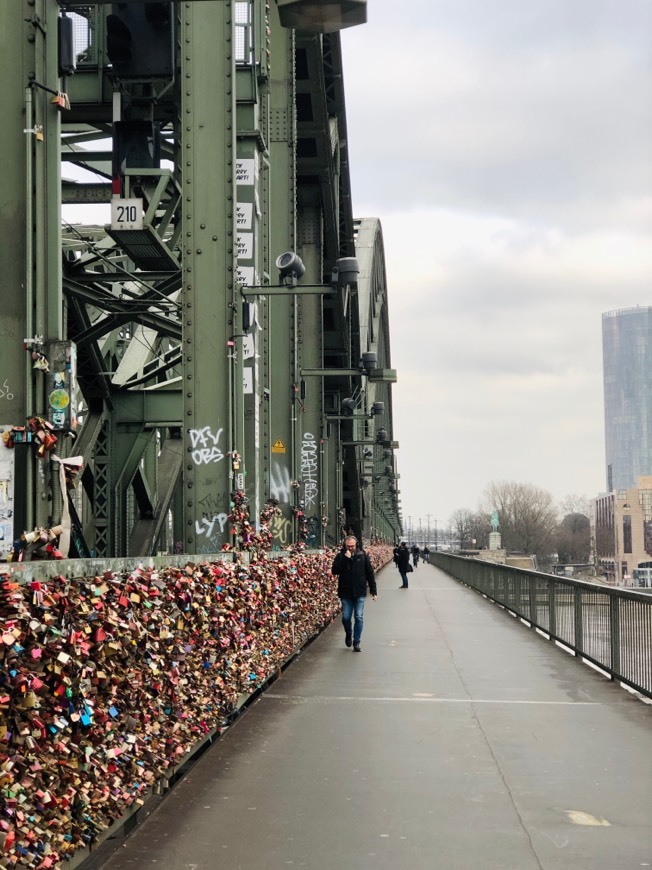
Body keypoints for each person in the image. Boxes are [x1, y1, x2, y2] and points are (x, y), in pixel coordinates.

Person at [331, 535, 377, 652]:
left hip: (359, 592)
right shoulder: (341, 556)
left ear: (356, 545)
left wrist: (373, 590)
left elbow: (370, 573)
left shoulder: (362, 556)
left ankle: (356, 642)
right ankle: (348, 634)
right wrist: (346, 559)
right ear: (344, 545)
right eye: (348, 546)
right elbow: (335, 571)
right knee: (346, 617)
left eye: (352, 546)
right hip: (346, 592)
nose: (350, 548)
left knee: (359, 617)